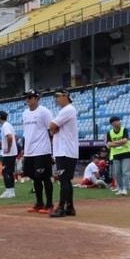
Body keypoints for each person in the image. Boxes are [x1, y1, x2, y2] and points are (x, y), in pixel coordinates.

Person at [21, 89, 55, 214]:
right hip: (29, 151)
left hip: (42, 150)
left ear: (36, 98)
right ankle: (39, 203)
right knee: (35, 178)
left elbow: (51, 130)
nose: (27, 100)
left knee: (45, 178)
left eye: (30, 97)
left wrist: (52, 150)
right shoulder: (25, 113)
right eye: (26, 97)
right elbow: (27, 133)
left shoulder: (44, 112)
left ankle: (49, 204)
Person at [49, 89, 79, 217]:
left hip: (65, 150)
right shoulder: (66, 110)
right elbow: (54, 127)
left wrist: (53, 129)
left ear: (66, 96)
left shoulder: (68, 109)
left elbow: (52, 125)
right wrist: (54, 129)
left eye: (58, 96)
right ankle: (70, 207)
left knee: (63, 180)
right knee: (66, 179)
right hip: (66, 150)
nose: (56, 99)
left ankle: (61, 207)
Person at [106, 116, 130, 196]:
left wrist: (114, 143)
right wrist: (119, 142)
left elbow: (125, 141)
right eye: (116, 121)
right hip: (116, 154)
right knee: (117, 173)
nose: (118, 122)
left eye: (118, 121)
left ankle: (125, 188)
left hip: (126, 153)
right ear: (112, 124)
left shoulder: (124, 130)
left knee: (125, 172)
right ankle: (120, 188)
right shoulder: (109, 133)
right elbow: (108, 145)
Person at [0, 110, 18, 199]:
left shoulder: (5, 126)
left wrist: (9, 148)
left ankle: (8, 190)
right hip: (12, 153)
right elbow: (15, 137)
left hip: (8, 154)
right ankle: (11, 191)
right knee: (9, 172)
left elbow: (9, 137)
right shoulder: (9, 125)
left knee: (5, 172)